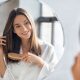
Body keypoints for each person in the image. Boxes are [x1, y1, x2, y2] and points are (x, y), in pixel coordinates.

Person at [0, 8, 58, 80]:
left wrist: (39, 62)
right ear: (14, 30)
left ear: (31, 23)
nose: (24, 29)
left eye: (26, 23)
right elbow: (4, 76)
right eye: (18, 26)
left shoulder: (48, 49)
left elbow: (56, 76)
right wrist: (0, 50)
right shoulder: (10, 50)